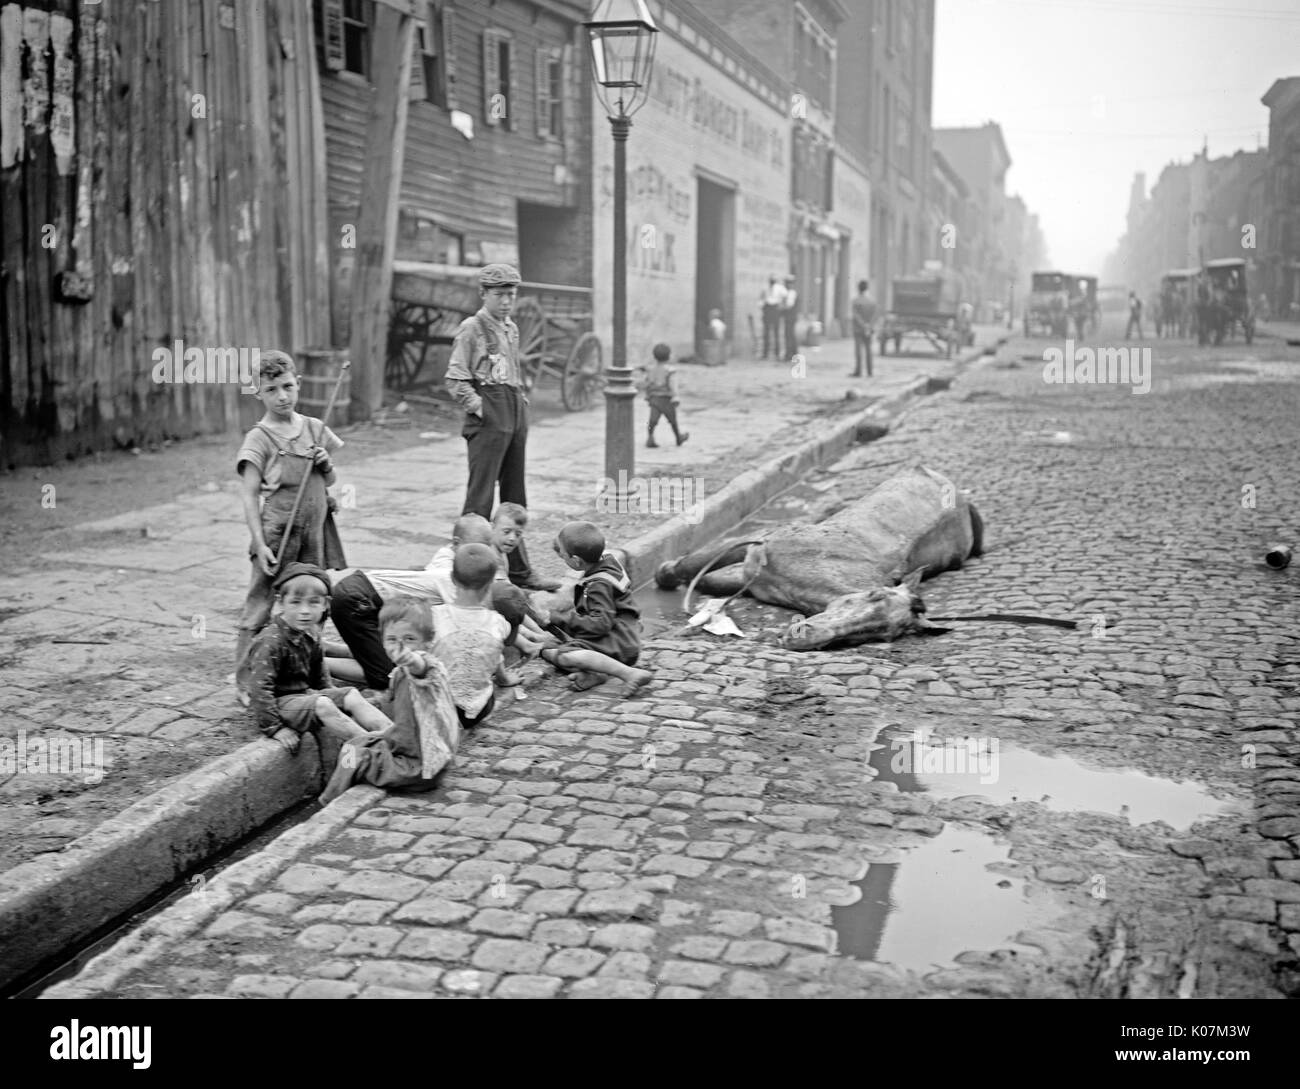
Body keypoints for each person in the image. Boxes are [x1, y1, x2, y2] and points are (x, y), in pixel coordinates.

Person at [234, 350, 346, 700]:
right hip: (277, 533)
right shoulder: (259, 438)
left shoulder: (314, 428)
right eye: (271, 390)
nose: (282, 396)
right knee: (260, 606)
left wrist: (326, 465)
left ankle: (310, 673)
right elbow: (250, 495)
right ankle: (245, 682)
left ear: (298, 383)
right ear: (259, 393)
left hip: (313, 531)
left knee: (313, 600)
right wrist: (260, 543)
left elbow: (329, 480)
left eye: (287, 386)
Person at [444, 262, 559, 592]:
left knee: (514, 499)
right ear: (483, 294)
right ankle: (469, 575)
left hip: (514, 414)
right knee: (479, 502)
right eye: (500, 295)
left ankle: (521, 572)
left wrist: (519, 407)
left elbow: (512, 371)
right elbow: (455, 378)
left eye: (511, 294)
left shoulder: (510, 328)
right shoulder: (471, 328)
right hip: (489, 420)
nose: (507, 301)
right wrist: (481, 408)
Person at [328, 514, 539, 689]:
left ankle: (328, 649)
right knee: (391, 676)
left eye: (487, 545)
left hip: (364, 596)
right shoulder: (452, 580)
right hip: (357, 600)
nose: (484, 552)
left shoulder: (462, 574)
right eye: (478, 545)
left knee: (394, 655)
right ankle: (320, 662)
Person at [319, 597, 463, 806]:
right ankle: (341, 787)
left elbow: (421, 668)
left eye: (410, 639)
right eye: (392, 640)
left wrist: (412, 659)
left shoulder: (427, 670)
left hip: (419, 768)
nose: (399, 647)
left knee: (353, 755)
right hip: (411, 751)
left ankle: (330, 800)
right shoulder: (398, 673)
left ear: (428, 641)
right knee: (356, 742)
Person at [246, 563, 390, 770]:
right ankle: (373, 750)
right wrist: (275, 728)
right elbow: (260, 689)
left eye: (314, 603)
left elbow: (321, 678)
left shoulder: (311, 634)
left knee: (350, 694)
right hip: (280, 704)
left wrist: (339, 699)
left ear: (325, 605)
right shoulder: (270, 641)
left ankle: (392, 735)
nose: (304, 611)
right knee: (323, 704)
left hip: (304, 698)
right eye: (295, 603)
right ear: (280, 603)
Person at [533, 521, 652, 697]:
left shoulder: (597, 586)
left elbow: (600, 624)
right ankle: (597, 674)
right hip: (625, 634)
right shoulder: (606, 562)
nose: (561, 557)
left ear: (576, 561)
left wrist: (557, 618)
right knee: (554, 647)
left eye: (563, 555)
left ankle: (628, 673)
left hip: (619, 642)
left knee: (565, 655)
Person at [428, 543, 518, 730]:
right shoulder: (497, 622)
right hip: (480, 709)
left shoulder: (433, 616)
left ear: (452, 578)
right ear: (490, 584)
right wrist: (505, 679)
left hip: (441, 710)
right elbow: (497, 656)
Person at [639, 343, 688, 449]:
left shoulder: (651, 369)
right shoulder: (670, 371)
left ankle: (650, 437)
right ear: (669, 356)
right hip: (666, 399)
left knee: (652, 420)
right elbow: (673, 385)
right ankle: (678, 437)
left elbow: (647, 383)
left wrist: (648, 395)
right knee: (673, 420)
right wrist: (675, 396)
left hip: (654, 399)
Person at [850, 280, 877, 378]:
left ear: (858, 289)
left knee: (858, 351)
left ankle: (858, 371)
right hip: (869, 329)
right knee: (869, 350)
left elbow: (856, 316)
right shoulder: (872, 301)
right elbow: (875, 315)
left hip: (858, 329)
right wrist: (869, 326)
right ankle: (870, 371)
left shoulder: (856, 301)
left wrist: (863, 325)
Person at [759, 276, 787, 359]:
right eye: (771, 281)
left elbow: (785, 296)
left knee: (776, 332)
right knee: (766, 332)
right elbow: (761, 299)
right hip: (767, 309)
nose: (772, 283)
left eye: (773, 281)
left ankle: (777, 353)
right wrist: (762, 306)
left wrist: (781, 306)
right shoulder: (765, 288)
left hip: (775, 309)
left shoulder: (780, 288)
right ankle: (765, 353)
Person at [781, 275, 800, 360]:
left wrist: (781, 307)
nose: (788, 285)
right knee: (790, 335)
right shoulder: (788, 293)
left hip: (790, 317)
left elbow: (788, 305)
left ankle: (789, 355)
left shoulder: (791, 293)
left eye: (789, 283)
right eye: (787, 283)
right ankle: (794, 353)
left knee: (789, 335)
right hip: (789, 317)